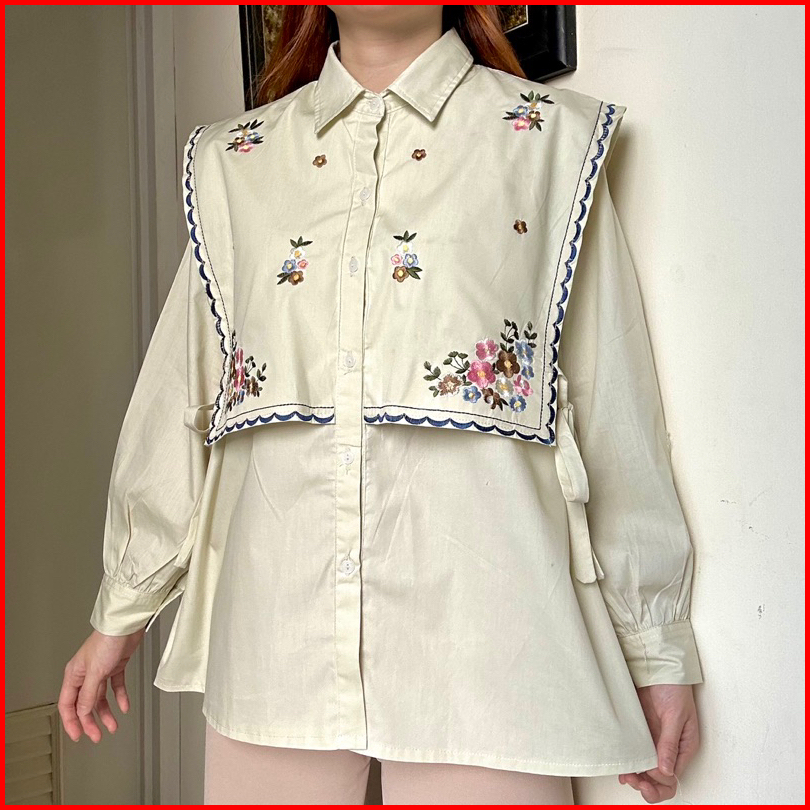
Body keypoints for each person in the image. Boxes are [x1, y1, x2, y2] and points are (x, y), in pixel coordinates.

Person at [59, 5, 704, 805]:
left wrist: (657, 648)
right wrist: (121, 611)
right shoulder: (236, 163)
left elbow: (613, 410)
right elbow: (180, 394)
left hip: (488, 641)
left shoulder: (551, 144)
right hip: (276, 634)